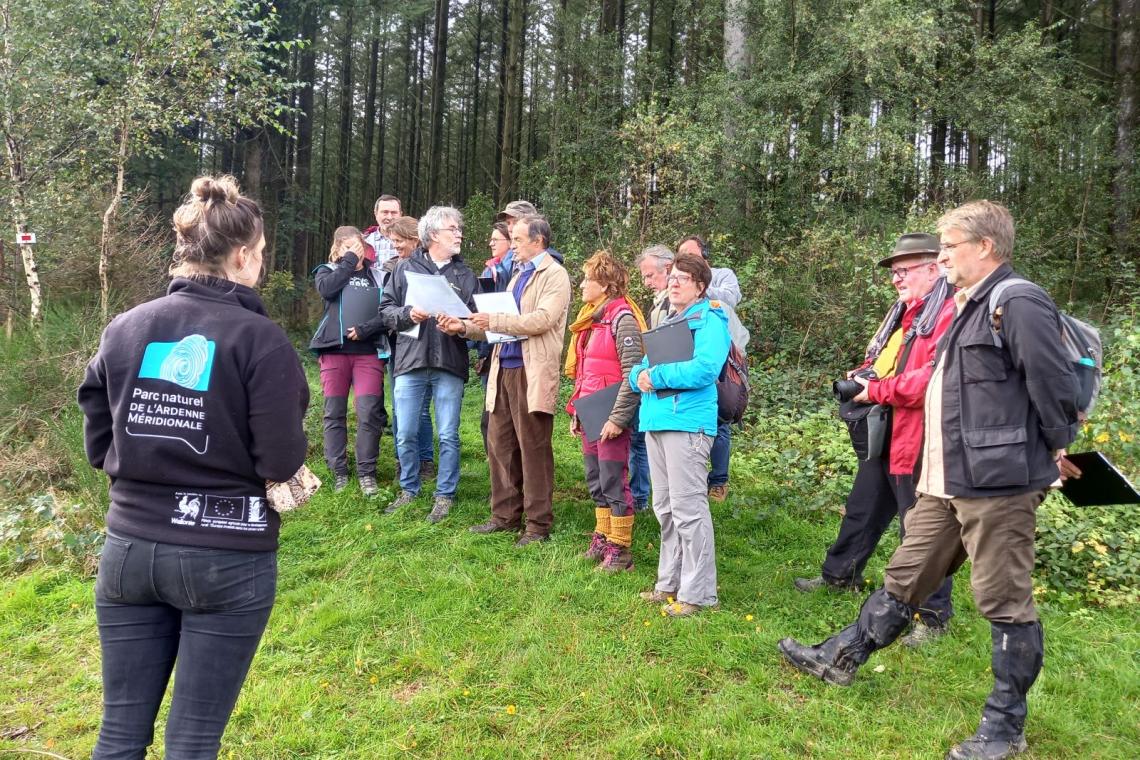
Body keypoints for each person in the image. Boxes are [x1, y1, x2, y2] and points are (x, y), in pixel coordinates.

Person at [778, 201, 1081, 760]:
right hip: (947, 476)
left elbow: (1054, 381)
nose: (940, 256)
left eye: (949, 246)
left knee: (1004, 600)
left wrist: (1056, 444)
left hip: (999, 482)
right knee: (906, 573)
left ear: (985, 247)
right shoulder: (966, 307)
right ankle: (841, 658)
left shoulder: (1018, 301)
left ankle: (1004, 726)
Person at [78, 175, 309, 759]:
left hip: (129, 548)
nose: (258, 265)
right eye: (258, 256)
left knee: (119, 733)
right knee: (193, 741)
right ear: (239, 256)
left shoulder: (126, 327)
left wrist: (134, 466)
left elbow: (97, 425)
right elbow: (281, 459)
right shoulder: (262, 341)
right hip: (227, 555)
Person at [793, 233, 958, 645]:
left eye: (904, 271)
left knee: (922, 528)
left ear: (933, 268)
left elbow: (932, 381)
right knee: (863, 507)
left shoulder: (949, 312)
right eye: (894, 272)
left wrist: (876, 391)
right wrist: (863, 376)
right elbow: (885, 362)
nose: (896, 279)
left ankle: (931, 616)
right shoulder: (907, 314)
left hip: (923, 438)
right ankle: (840, 575)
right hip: (889, 429)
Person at [441, 215, 571, 546]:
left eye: (517, 240)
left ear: (538, 241)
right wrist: (464, 328)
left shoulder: (555, 276)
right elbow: (499, 326)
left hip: (532, 371)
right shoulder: (517, 277)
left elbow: (541, 320)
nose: (512, 246)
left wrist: (495, 318)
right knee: (499, 443)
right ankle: (504, 515)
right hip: (502, 368)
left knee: (533, 447)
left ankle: (537, 525)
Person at [629, 252, 731, 617]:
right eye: (671, 276)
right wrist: (636, 377)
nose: (673, 282)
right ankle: (668, 583)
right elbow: (643, 365)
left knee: (689, 510)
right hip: (655, 422)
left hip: (688, 424)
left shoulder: (710, 319)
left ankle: (699, 593)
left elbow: (705, 368)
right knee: (665, 508)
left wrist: (655, 378)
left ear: (700, 286)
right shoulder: (669, 321)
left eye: (682, 278)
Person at [379, 206, 478, 523]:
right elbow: (386, 311)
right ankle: (409, 489)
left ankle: (444, 495)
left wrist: (461, 326)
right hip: (411, 360)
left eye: (459, 228)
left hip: (450, 361)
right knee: (405, 432)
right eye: (453, 228)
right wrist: (410, 314)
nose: (459, 233)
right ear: (434, 234)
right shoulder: (405, 268)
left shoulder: (465, 275)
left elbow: (478, 320)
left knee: (448, 434)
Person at [565, 251, 646, 572]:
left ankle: (621, 550)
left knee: (614, 480)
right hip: (591, 413)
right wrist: (577, 412)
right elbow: (586, 373)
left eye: (587, 279)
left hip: (611, 417)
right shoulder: (593, 319)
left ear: (605, 284)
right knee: (595, 479)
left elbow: (632, 374)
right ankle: (602, 537)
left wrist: (618, 418)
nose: (582, 285)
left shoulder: (623, 319)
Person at [309, 226, 390, 496]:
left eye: (358, 248)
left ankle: (367, 472)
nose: (354, 254)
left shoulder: (378, 275)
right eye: (348, 249)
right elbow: (328, 291)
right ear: (337, 250)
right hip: (334, 351)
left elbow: (389, 311)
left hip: (368, 352)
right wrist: (346, 263)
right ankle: (339, 472)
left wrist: (367, 328)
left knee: (369, 412)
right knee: (335, 412)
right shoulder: (326, 271)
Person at [677, 234, 741, 502]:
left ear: (704, 254)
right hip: (688, 351)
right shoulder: (678, 281)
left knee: (720, 416)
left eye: (691, 254)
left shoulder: (722, 274)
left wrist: (700, 286)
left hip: (723, 355)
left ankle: (719, 481)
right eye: (681, 255)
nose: (686, 259)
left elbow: (731, 297)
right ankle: (695, 477)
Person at [385, 215, 436, 475]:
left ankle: (425, 460)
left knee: (421, 410)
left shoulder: (435, 266)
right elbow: (387, 308)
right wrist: (405, 315)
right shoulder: (398, 267)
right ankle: (405, 461)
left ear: (415, 240)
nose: (395, 247)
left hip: (430, 347)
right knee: (402, 408)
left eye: (398, 241)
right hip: (403, 345)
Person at [628, 244, 675, 512]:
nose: (646, 283)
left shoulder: (678, 305)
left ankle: (646, 500)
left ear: (667, 269)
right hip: (654, 389)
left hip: (672, 395)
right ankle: (655, 503)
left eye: (650, 276)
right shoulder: (659, 304)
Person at [474, 221, 513, 448]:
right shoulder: (489, 269)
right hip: (489, 344)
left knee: (500, 407)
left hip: (511, 341)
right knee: (490, 404)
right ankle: (493, 457)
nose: (490, 243)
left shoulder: (515, 268)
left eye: (495, 239)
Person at [362, 194, 402, 267]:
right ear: (376, 213)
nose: (389, 217)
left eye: (394, 213)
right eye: (385, 212)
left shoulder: (410, 242)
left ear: (400, 214)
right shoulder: (365, 242)